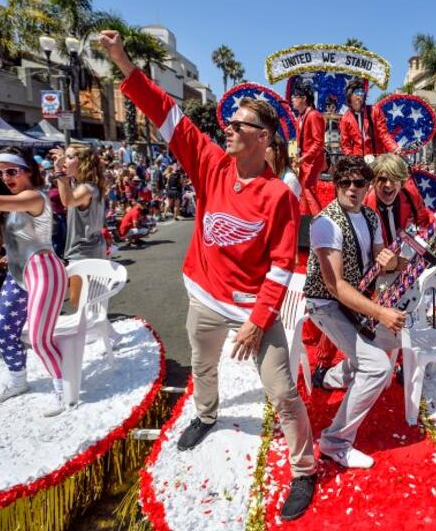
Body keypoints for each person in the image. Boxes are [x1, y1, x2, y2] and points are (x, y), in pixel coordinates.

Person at [100, 30, 316, 521]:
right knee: (203, 366)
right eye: (229, 124)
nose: (228, 130)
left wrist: (258, 321)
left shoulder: (280, 195)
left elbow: (283, 264)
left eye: (239, 125)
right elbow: (167, 115)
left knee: (281, 390)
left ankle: (304, 469)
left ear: (263, 137)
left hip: (252, 309)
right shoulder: (210, 164)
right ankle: (206, 414)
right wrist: (123, 63)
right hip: (205, 295)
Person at [304, 155, 405, 468]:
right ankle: (335, 442)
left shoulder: (371, 217)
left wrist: (393, 262)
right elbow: (334, 287)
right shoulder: (325, 223)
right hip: (326, 303)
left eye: (358, 183)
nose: (351, 188)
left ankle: (330, 376)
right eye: (344, 182)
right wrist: (380, 312)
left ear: (367, 186)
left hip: (353, 299)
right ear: (336, 186)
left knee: (390, 342)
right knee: (377, 368)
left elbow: (379, 260)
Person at [0, 148, 69, 415]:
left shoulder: (33, 196)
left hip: (44, 271)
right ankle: (17, 380)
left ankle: (63, 389)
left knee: (40, 338)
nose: (5, 177)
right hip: (18, 274)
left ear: (27, 170)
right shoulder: (15, 198)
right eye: (0, 172)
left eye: (12, 171)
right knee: (4, 331)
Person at [51, 144, 107, 306]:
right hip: (91, 248)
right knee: (91, 302)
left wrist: (59, 172)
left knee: (80, 301)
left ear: (82, 162)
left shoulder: (86, 188)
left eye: (69, 157)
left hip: (83, 252)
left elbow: (67, 201)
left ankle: (91, 330)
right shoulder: (87, 186)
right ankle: (94, 329)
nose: (64, 161)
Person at [364, 154, 433, 245]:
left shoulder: (411, 195)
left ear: (401, 182)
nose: (388, 185)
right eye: (382, 179)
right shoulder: (364, 204)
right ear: (373, 181)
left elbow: (426, 223)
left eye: (394, 178)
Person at [339, 79, 399, 160]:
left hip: (377, 159)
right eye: (357, 92)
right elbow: (345, 144)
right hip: (358, 162)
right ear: (350, 95)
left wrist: (394, 148)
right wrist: (352, 161)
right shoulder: (345, 118)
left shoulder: (375, 111)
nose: (360, 95)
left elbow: (384, 134)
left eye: (362, 92)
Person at [290, 83, 325, 214]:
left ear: (304, 98)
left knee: (308, 190)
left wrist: (303, 158)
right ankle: (305, 221)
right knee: (303, 193)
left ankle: (319, 221)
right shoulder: (301, 116)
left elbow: (318, 143)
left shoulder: (313, 115)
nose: (292, 99)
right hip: (305, 161)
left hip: (312, 162)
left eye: (295, 97)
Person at [265, 134, 302, 199]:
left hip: (286, 145)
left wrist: (293, 160)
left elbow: (293, 137)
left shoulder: (289, 179)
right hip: (284, 144)